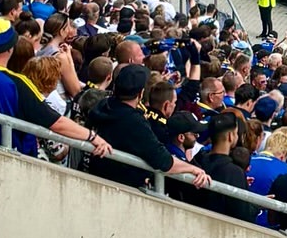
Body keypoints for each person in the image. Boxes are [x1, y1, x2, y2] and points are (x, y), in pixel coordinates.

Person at [0, 19, 113, 160]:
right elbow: (55, 122)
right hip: (5, 159)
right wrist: (92, 137)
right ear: (10, 48)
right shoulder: (16, 83)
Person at [87, 62, 210, 193]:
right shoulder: (134, 121)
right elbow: (163, 161)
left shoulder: (103, 105)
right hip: (115, 189)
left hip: (93, 176)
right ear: (140, 94)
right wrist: (193, 169)